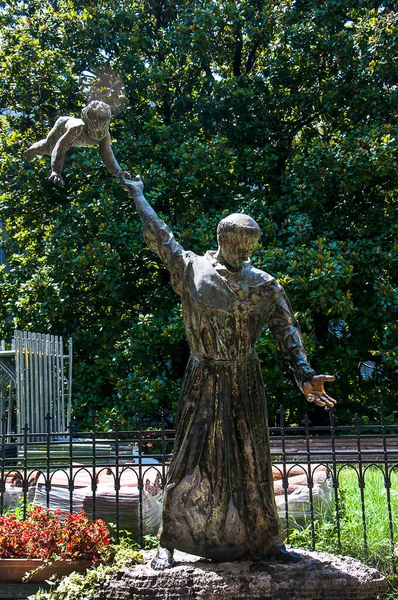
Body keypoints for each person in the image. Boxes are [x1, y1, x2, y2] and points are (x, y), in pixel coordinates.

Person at [123, 175, 336, 569]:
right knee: (188, 456)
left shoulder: (264, 285)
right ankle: (168, 542)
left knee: (252, 458)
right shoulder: (193, 269)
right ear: (223, 238)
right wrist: (138, 194)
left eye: (251, 243)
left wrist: (305, 375)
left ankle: (264, 542)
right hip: (204, 374)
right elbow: (160, 235)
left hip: (245, 376)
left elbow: (287, 332)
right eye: (239, 241)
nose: (245, 249)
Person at [24, 100, 130, 186]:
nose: (98, 132)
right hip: (62, 126)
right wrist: (56, 171)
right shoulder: (77, 128)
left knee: (50, 149)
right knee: (48, 148)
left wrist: (119, 173)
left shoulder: (105, 135)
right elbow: (60, 146)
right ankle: (33, 149)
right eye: (95, 127)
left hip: (75, 139)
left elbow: (107, 156)